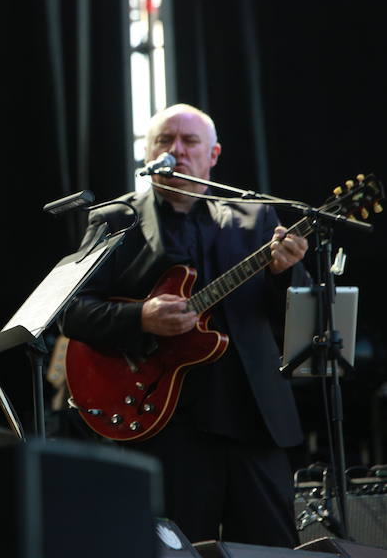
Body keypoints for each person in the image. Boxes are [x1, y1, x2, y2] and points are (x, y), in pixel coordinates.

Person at [60, 104, 309, 547]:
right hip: (166, 423)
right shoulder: (118, 219)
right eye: (164, 140)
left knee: (273, 550)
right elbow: (71, 310)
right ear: (148, 151)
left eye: (189, 142)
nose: (176, 150)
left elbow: (299, 320)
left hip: (254, 419)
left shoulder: (259, 219)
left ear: (213, 155)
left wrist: (284, 273)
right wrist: (141, 316)